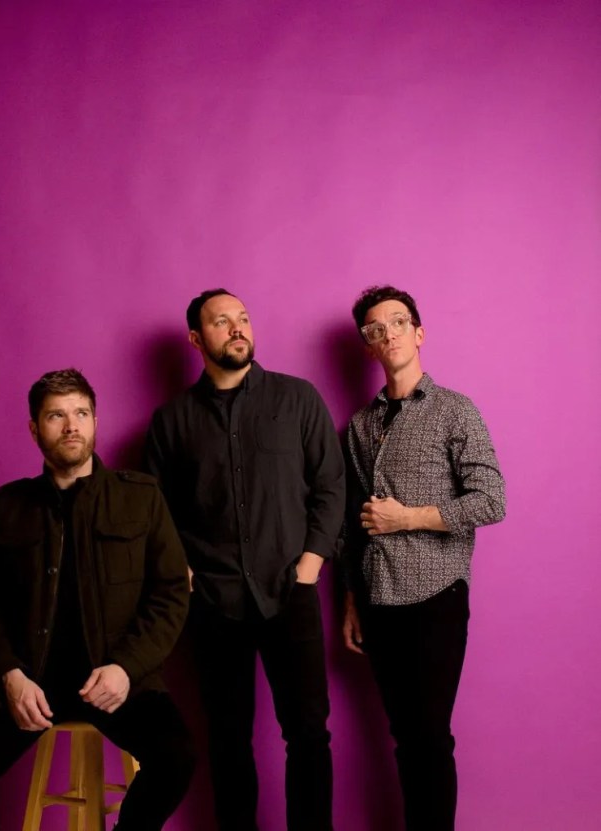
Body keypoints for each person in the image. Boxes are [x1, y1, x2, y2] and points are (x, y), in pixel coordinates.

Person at [0, 368, 194, 831]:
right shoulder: (9, 505)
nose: (72, 425)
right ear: (35, 429)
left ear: (96, 421)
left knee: (176, 759)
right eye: (56, 415)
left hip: (117, 680)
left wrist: (125, 667)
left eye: (81, 413)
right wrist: (9, 675)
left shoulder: (141, 497)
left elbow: (171, 592)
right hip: (30, 685)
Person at [144, 289, 345, 831]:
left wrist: (310, 566)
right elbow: (154, 512)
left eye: (243, 319)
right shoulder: (171, 422)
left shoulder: (298, 399)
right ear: (196, 339)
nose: (236, 329)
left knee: (307, 732)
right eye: (220, 322)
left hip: (291, 591)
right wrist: (182, 571)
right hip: (213, 603)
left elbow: (330, 486)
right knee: (228, 739)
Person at [341, 286, 506, 831]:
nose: (386, 333)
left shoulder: (455, 410)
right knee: (405, 737)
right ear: (368, 346)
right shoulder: (360, 426)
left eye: (397, 322)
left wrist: (407, 517)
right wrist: (351, 602)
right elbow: (353, 523)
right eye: (374, 329)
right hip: (378, 598)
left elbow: (490, 501)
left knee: (431, 736)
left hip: (436, 594)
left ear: (419, 332)